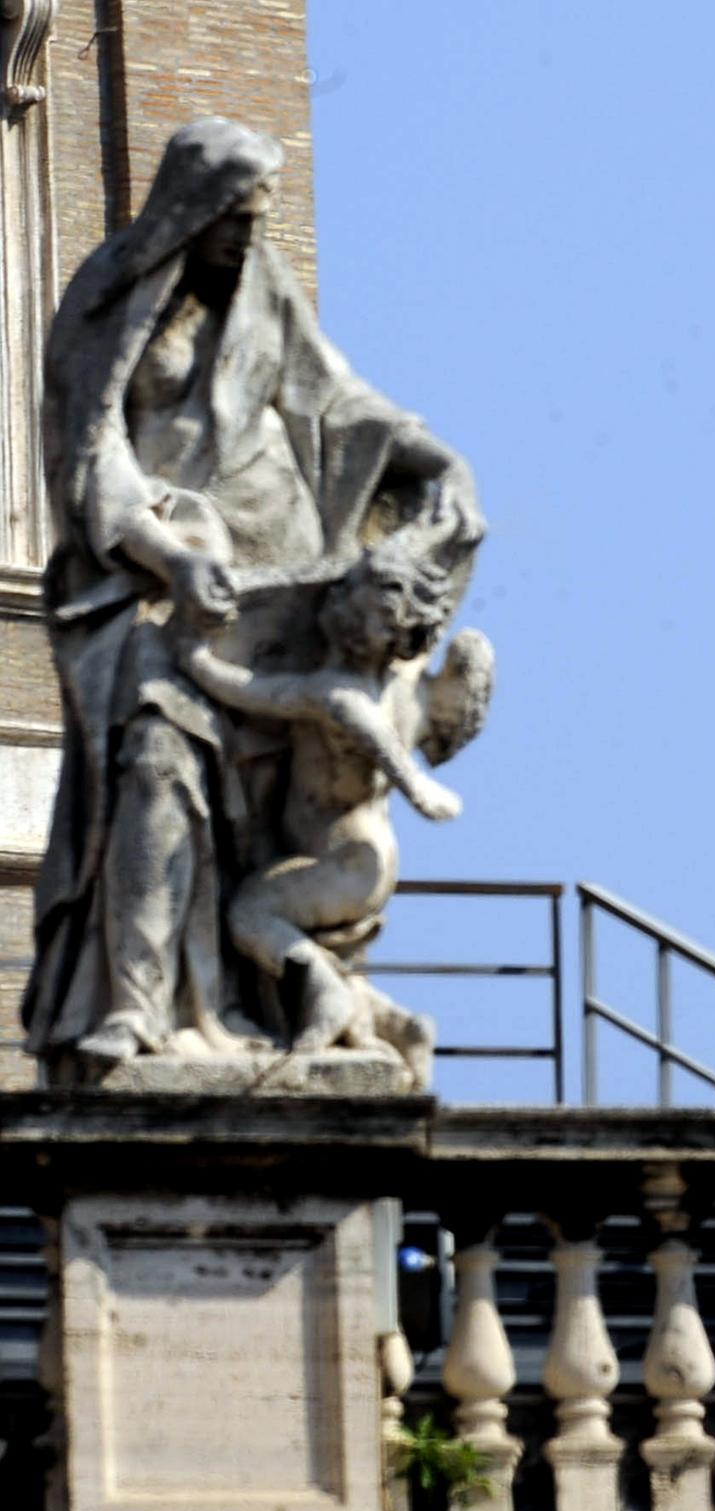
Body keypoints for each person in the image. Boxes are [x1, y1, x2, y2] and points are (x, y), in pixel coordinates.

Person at [27, 117, 479, 1073]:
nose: (248, 239)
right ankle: (141, 1008)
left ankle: (274, 996)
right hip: (159, 588)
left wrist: (442, 465)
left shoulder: (260, 286)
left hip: (288, 584)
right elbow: (88, 450)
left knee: (289, 806)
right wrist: (166, 553)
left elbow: (337, 401)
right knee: (157, 761)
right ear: (193, 213)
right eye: (237, 221)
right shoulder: (111, 300)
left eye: (260, 221)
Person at [175, 525, 492, 1076]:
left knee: (250, 915)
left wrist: (195, 659)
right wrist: (440, 530)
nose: (337, 598)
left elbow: (250, 691)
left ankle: (328, 994)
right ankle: (398, 1025)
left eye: (350, 595)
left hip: (342, 860)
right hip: (367, 857)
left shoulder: (332, 693)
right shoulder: (411, 687)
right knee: (305, 932)